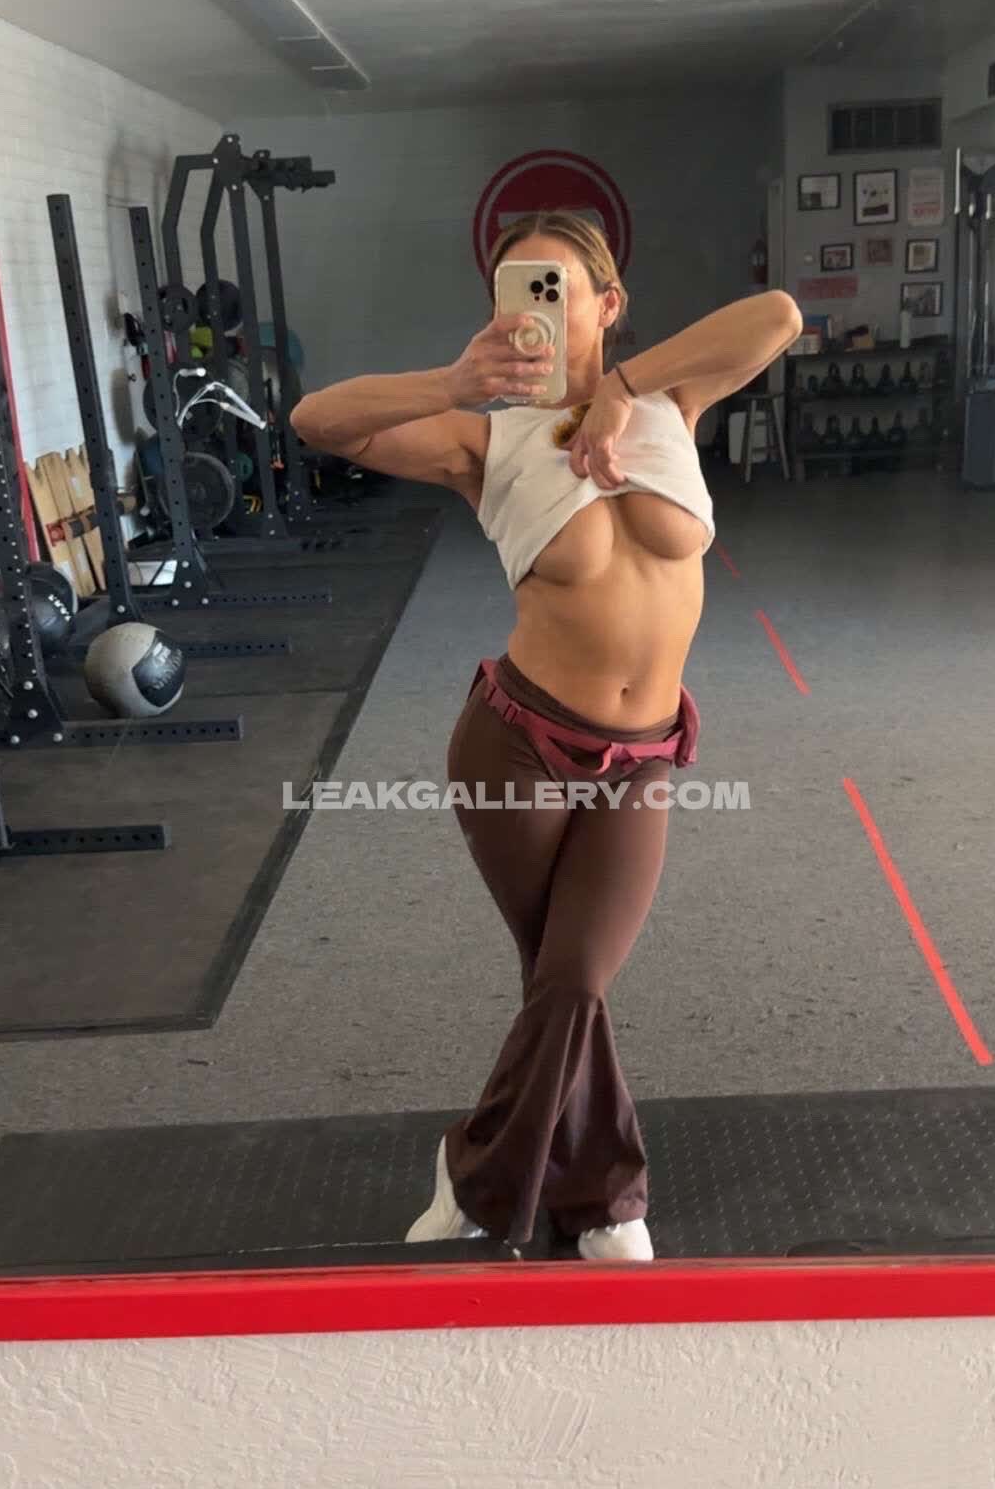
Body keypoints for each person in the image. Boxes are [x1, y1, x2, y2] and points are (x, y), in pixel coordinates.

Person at [293, 215, 801, 1260]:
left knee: (569, 980)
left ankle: (475, 1169)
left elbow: (780, 316)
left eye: (559, 288)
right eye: (517, 289)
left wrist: (623, 389)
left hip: (641, 759)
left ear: (608, 304)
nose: (536, 309)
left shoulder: (673, 403)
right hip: (517, 746)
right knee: (567, 979)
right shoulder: (484, 442)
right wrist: (451, 382)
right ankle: (607, 1200)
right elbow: (317, 421)